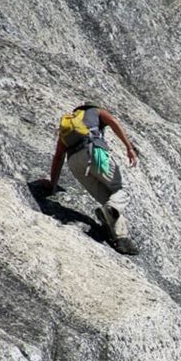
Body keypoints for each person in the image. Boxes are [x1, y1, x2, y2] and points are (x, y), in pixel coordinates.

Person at [42, 102, 139, 255]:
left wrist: (52, 184)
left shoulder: (69, 127)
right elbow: (113, 122)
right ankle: (112, 215)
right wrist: (129, 147)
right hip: (93, 152)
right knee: (121, 190)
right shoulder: (96, 111)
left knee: (108, 200)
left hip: (74, 162)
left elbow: (58, 156)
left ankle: (121, 238)